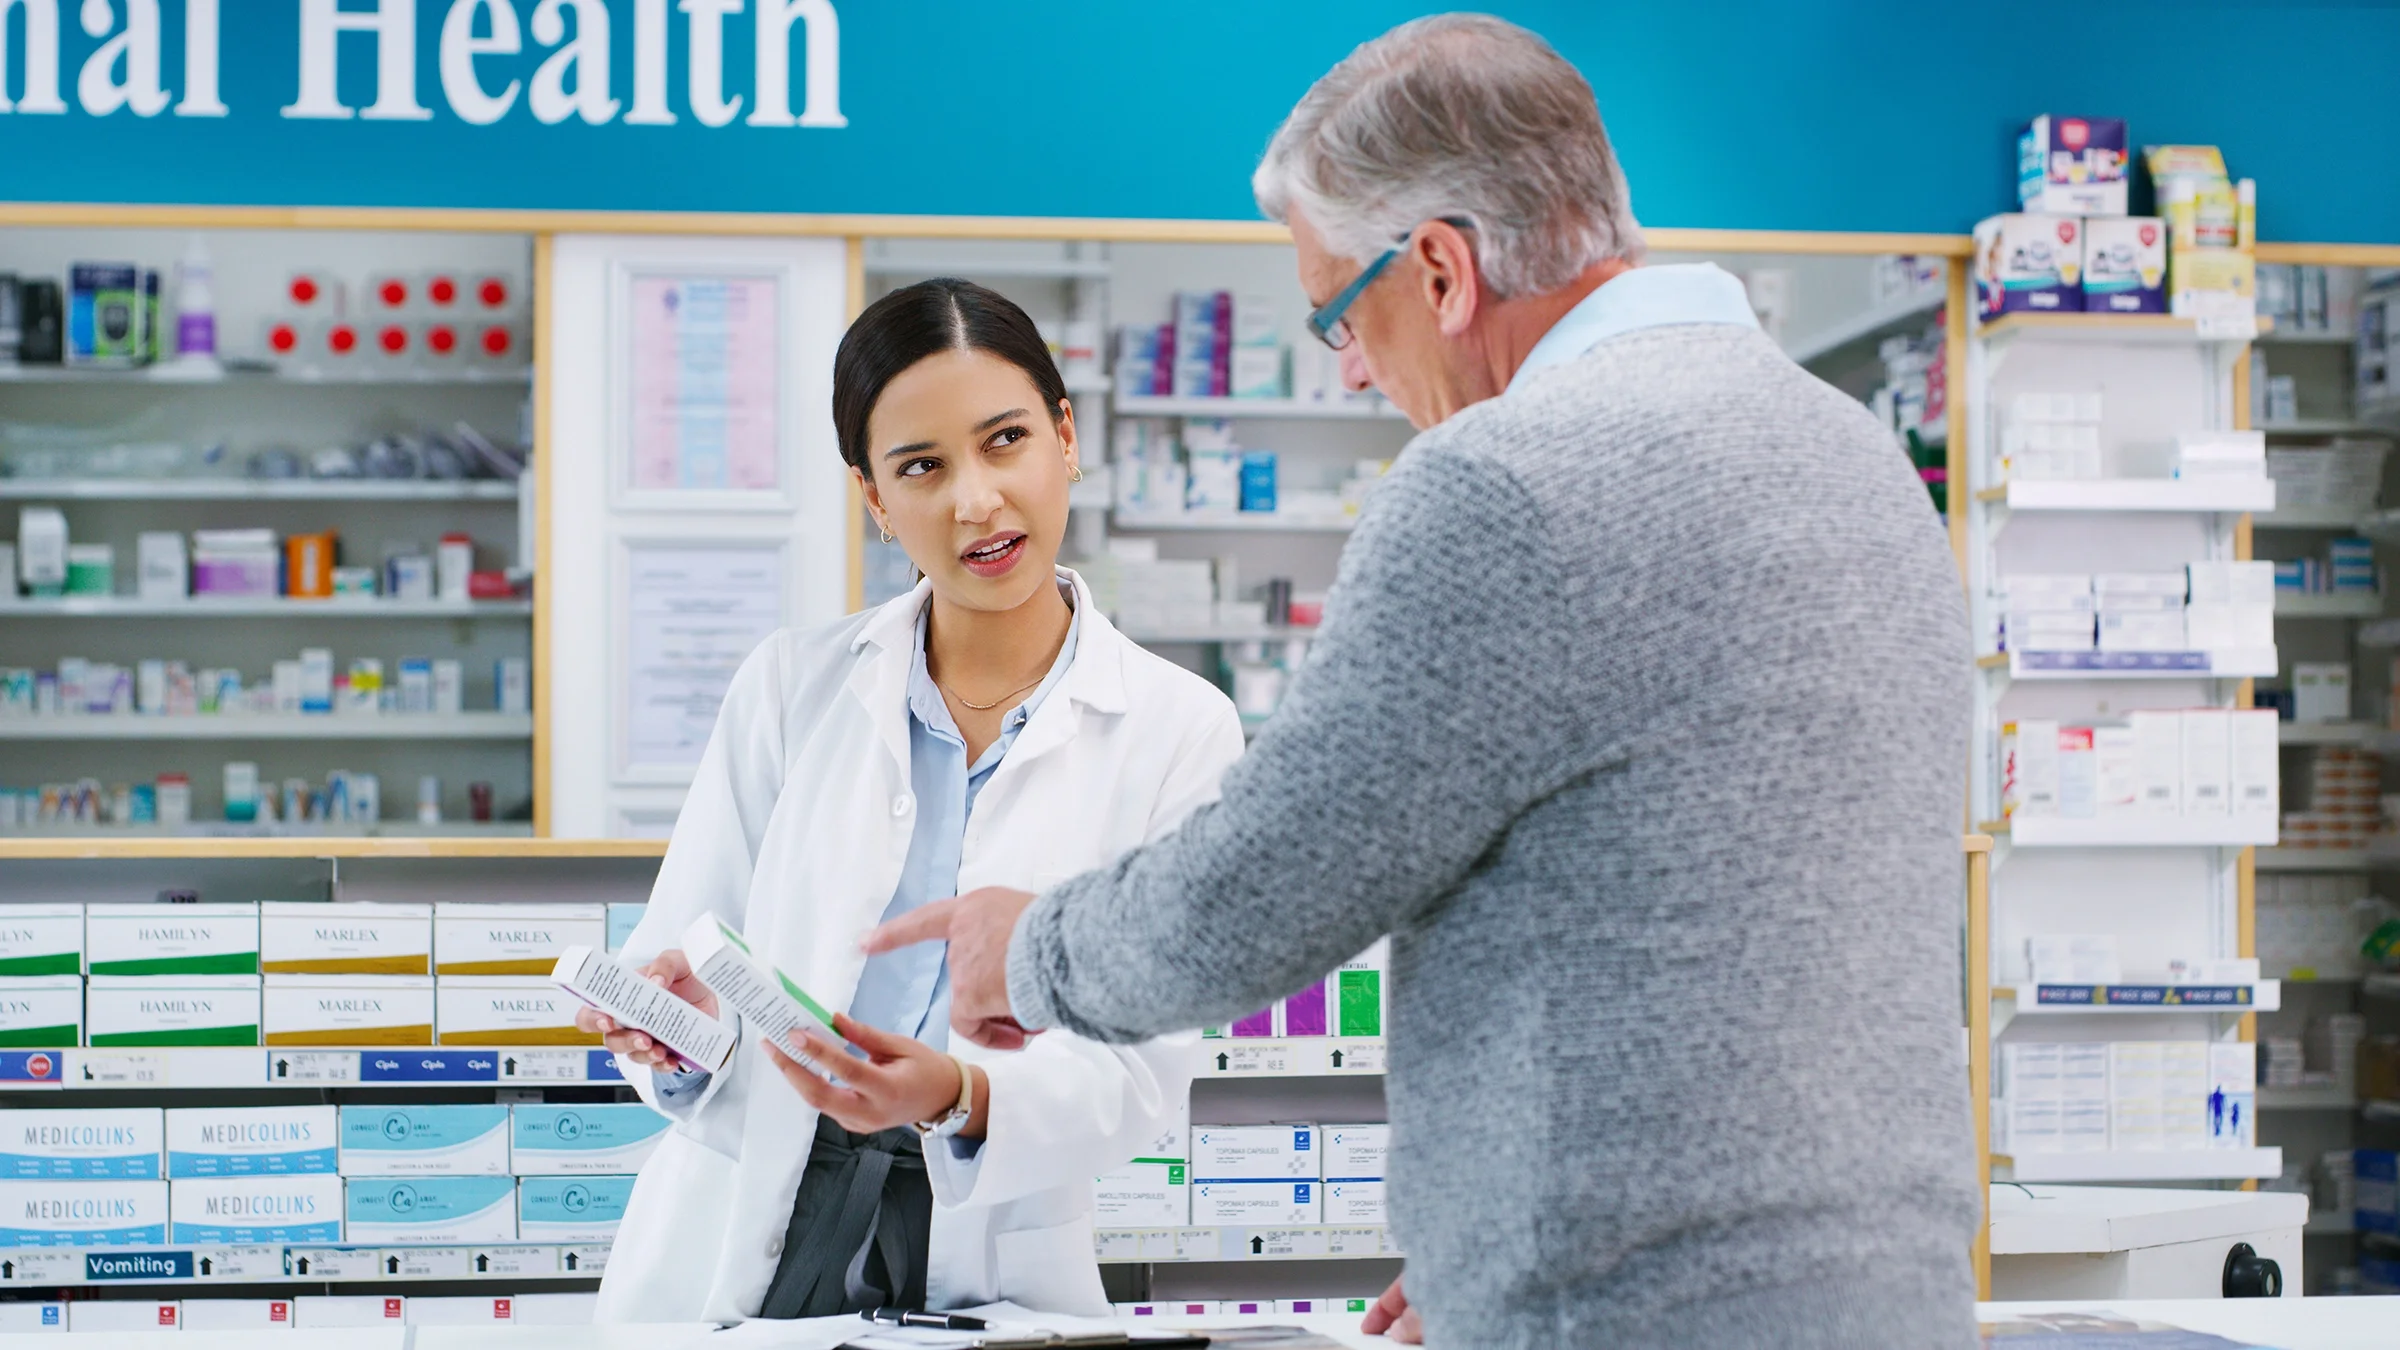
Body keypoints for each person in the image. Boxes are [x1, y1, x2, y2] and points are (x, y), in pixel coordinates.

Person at [868, 16, 1980, 1349]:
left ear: (1442, 268)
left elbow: (1265, 888)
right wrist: (1493, 1221)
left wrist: (1026, 948)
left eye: (1341, 308)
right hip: (1886, 1297)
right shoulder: (1856, 458)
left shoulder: (1504, 483)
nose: (1349, 360)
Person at [587, 278, 1245, 1323]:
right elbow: (686, 956)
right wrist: (675, 1037)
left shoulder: (1179, 730)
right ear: (876, 498)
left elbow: (1144, 1077)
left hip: (988, 1237)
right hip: (742, 1222)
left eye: (1004, 442)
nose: (974, 501)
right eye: (921, 468)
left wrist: (956, 1092)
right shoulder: (790, 687)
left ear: (1065, 438)